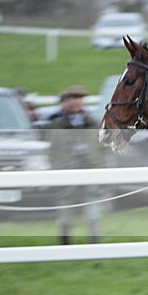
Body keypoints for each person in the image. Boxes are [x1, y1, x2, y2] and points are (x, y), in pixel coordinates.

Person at [48, 85, 105, 244]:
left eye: (79, 98)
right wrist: (58, 172)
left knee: (93, 216)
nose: (76, 102)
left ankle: (96, 248)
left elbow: (102, 150)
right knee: (65, 218)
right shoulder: (58, 124)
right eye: (72, 98)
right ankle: (65, 248)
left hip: (90, 175)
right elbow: (53, 152)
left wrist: (101, 171)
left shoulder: (93, 123)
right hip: (66, 176)